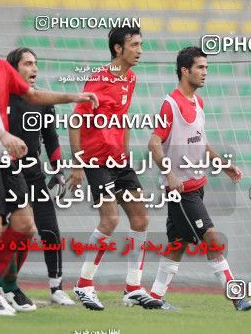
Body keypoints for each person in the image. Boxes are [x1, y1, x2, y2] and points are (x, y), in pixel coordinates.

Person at [0, 8, 97, 315]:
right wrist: (4, 135)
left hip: (0, 157)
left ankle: (5, 283)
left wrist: (73, 97)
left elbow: (32, 96)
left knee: (24, 224)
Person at [147, 46, 251, 311]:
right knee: (214, 239)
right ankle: (236, 296)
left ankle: (155, 297)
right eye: (200, 67)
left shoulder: (198, 102)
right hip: (182, 190)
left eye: (206, 67)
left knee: (177, 244)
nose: (205, 72)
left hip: (198, 186)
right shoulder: (170, 104)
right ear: (185, 70)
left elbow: (201, 142)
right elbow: (154, 143)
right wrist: (169, 175)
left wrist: (222, 163)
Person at [68, 26, 163, 310]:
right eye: (134, 45)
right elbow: (76, 121)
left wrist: (124, 154)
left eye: (141, 44)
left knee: (141, 219)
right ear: (118, 49)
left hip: (118, 160)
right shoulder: (98, 80)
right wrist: (77, 163)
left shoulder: (131, 78)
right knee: (110, 221)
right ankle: (84, 285)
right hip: (96, 161)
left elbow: (122, 119)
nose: (140, 50)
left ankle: (133, 287)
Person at [6, 47, 75, 306]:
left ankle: (56, 288)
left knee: (50, 230)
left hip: (34, 173)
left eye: (36, 64)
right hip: (8, 172)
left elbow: (50, 138)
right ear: (14, 68)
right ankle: (1, 283)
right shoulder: (2, 99)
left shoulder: (43, 100)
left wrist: (57, 169)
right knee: (15, 232)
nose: (34, 69)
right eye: (27, 64)